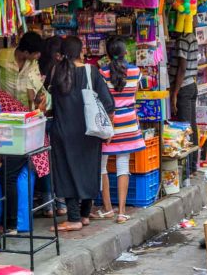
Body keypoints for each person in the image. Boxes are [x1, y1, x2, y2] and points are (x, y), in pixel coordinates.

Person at [0, 77, 51, 235]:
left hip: (22, 140)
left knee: (7, 178)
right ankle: (13, 221)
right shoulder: (0, 94)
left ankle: (11, 224)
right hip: (29, 138)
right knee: (10, 176)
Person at [49, 36, 115, 231]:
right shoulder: (91, 71)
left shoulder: (56, 71)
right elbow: (108, 103)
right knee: (89, 169)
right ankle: (83, 215)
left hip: (63, 130)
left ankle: (74, 217)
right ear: (80, 52)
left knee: (67, 171)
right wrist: (109, 127)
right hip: (89, 130)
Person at [96, 38, 145, 224]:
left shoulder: (102, 72)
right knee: (123, 166)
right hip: (129, 122)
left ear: (108, 54)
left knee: (102, 166)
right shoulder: (135, 71)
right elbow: (135, 96)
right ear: (126, 53)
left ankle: (108, 208)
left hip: (109, 123)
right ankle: (122, 212)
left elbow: (100, 99)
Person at [36, 36, 66, 218]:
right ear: (57, 54)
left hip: (41, 120)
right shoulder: (58, 69)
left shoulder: (38, 67)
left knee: (44, 164)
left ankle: (47, 205)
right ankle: (61, 203)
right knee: (58, 162)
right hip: (55, 119)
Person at [0, 31, 44, 109]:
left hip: (26, 110)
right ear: (26, 53)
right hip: (5, 108)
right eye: (36, 53)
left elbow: (37, 87)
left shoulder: (34, 63)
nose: (38, 56)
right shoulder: (0, 55)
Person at [169, 28, 199, 174]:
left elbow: (182, 68)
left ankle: (187, 169)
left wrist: (174, 93)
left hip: (184, 86)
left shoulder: (182, 40)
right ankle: (192, 166)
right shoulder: (191, 36)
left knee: (185, 128)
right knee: (191, 126)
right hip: (192, 85)